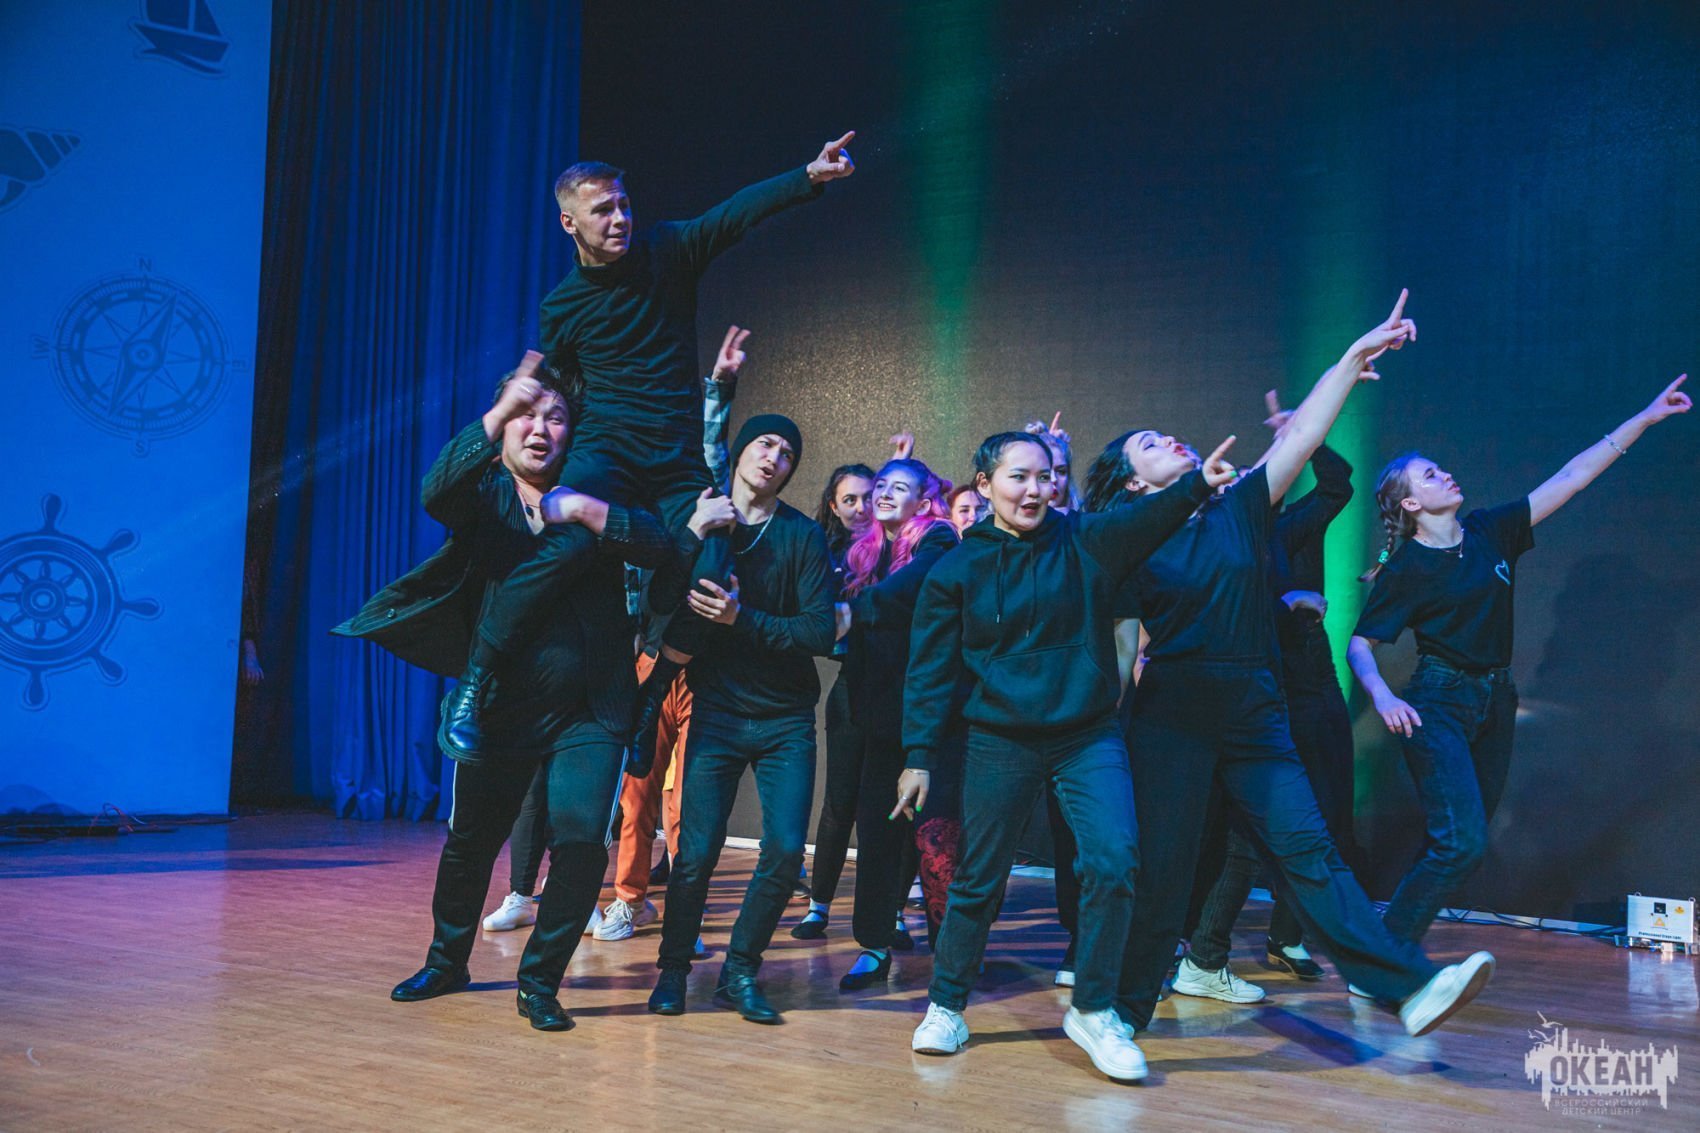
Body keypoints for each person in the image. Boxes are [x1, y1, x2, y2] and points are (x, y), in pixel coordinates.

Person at [1106, 291, 1496, 1042]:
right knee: (1167, 868)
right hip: (1175, 712)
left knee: (1310, 849)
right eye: (1150, 443)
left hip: (1253, 703)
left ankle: (1406, 987)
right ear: (1131, 481)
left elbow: (1306, 431)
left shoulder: (1238, 508)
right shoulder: (1127, 535)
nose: (1172, 439)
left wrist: (1352, 357)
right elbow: (1122, 646)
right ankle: (1120, 1013)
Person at [439, 133, 857, 761]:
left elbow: (732, 215)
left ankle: (652, 693)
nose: (620, 218)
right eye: (603, 210)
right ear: (569, 222)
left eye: (624, 204)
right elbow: (568, 392)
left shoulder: (667, 251)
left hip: (674, 460)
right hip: (605, 451)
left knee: (713, 568)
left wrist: (808, 175)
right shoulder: (563, 306)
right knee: (564, 545)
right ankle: (475, 682)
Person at [338, 352, 671, 1032]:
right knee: (471, 840)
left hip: (591, 708)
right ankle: (447, 960)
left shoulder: (591, 494)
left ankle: (540, 982)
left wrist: (592, 513)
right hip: (498, 707)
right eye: (526, 414)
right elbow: (436, 491)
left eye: (556, 417)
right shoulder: (486, 496)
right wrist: (495, 413)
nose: (540, 429)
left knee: (579, 841)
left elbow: (661, 543)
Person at [900, 429, 1236, 1082]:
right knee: (978, 878)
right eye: (1019, 476)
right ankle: (946, 1005)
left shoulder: (1084, 539)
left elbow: (1146, 519)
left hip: (1087, 735)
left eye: (1045, 476)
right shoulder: (956, 570)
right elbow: (930, 670)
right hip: (1000, 737)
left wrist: (1198, 483)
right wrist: (918, 755)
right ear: (985, 484)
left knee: (1114, 860)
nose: (1035, 489)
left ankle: (1094, 1009)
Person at [1347, 374, 1690, 946]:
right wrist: (1382, 694)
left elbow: (1572, 477)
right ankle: (1384, 955)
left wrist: (1645, 418)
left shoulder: (1490, 531)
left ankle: (1384, 944)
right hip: (1439, 701)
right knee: (1461, 842)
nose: (1445, 475)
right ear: (1411, 503)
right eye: (1429, 475)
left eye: (1442, 468)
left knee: (1462, 840)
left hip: (1496, 699)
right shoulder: (1407, 568)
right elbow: (1361, 645)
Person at [647, 414, 836, 1024]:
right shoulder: (706, 522)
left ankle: (740, 971)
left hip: (786, 721)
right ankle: (673, 971)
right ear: (741, 452)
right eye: (765, 443)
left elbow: (818, 630)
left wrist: (740, 619)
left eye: (787, 452)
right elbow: (661, 602)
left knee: (783, 851)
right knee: (695, 853)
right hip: (719, 713)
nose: (774, 456)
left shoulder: (803, 536)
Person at [1176, 390, 1361, 999]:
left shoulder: (1288, 525)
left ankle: (1288, 936)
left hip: (1310, 677)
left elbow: (1337, 486)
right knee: (1241, 834)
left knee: (1327, 812)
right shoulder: (1215, 533)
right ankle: (1201, 949)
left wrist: (1305, 435)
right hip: (1256, 683)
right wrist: (1285, 606)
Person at [830, 458, 959, 989]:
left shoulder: (939, 540)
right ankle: (874, 944)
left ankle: (951, 954)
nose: (882, 493)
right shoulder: (861, 552)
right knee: (878, 832)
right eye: (880, 484)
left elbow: (910, 587)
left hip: (930, 716)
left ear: (923, 502)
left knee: (936, 839)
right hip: (878, 717)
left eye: (898, 487)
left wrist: (853, 611)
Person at [792, 462, 877, 938]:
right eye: (850, 499)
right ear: (833, 505)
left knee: (887, 811)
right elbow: (822, 631)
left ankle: (890, 914)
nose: (862, 507)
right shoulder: (825, 553)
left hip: (901, 690)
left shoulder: (900, 548)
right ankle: (818, 907)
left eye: (869, 496)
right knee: (839, 803)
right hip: (852, 686)